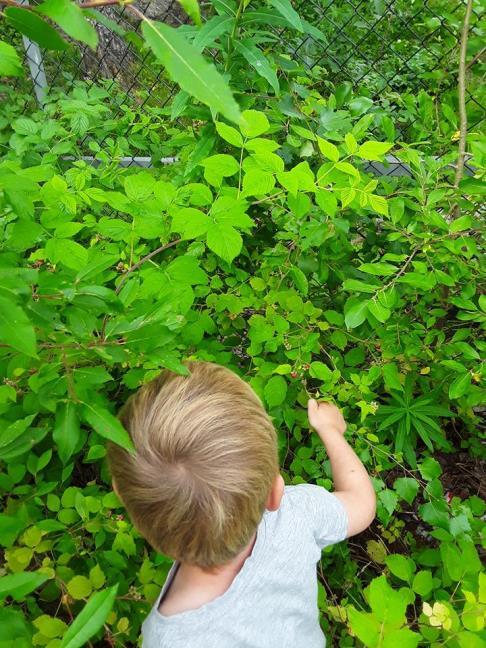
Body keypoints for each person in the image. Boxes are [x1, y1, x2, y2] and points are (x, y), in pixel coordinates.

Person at [107, 361, 376, 647]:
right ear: (274, 493)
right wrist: (330, 430)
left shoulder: (167, 640)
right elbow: (361, 503)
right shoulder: (294, 516)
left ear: (121, 495)